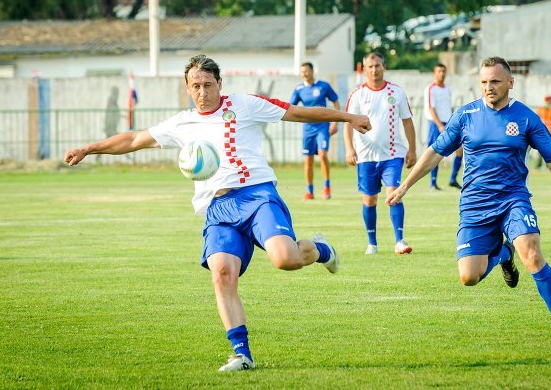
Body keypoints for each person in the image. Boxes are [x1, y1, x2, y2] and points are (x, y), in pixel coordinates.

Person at [64, 55, 371, 372]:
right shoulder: (182, 123)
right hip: (218, 208)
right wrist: (89, 148)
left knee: (286, 260)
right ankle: (242, 354)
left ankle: (321, 249)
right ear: (187, 88)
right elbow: (133, 139)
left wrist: (348, 117)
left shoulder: (246, 104)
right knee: (222, 274)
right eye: (195, 86)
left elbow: (298, 113)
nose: (202, 92)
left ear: (219, 84)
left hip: (257, 195)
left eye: (208, 85)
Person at [386, 56, 551, 343]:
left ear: (510, 83)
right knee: (469, 277)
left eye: (494, 81)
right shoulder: (465, 116)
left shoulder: (527, 117)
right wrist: (405, 186)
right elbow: (434, 153)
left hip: (513, 199)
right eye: (483, 82)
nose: (488, 87)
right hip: (475, 204)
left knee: (531, 254)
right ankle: (504, 254)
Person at [345, 52, 417, 255]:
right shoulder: (358, 94)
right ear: (365, 69)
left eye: (377, 65)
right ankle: (372, 243)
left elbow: (407, 120)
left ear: (383, 66)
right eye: (370, 66)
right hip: (366, 157)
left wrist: (412, 149)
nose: (374, 70)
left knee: (394, 194)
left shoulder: (396, 92)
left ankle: (399, 241)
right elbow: (348, 123)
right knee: (370, 200)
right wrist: (350, 149)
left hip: (393, 155)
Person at [290, 62, 341, 200]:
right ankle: (310, 191)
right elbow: (291, 107)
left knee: (323, 154)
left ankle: (326, 188)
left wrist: (335, 122)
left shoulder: (323, 86)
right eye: (302, 72)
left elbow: (336, 101)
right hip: (308, 128)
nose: (304, 74)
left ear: (312, 71)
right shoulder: (299, 89)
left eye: (306, 71)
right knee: (308, 160)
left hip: (323, 126)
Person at [424, 63, 463, 189]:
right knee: (436, 152)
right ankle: (433, 183)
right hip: (436, 124)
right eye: (439, 71)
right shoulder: (431, 89)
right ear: (435, 73)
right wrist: (439, 125)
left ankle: (452, 179)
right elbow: (431, 108)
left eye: (443, 71)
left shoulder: (447, 88)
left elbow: (449, 107)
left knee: (460, 149)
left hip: (449, 123)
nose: (442, 73)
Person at [535, 95, 551, 169]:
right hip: (541, 133)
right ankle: (539, 165)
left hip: (550, 133)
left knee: (548, 150)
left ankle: (547, 165)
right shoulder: (540, 109)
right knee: (540, 149)